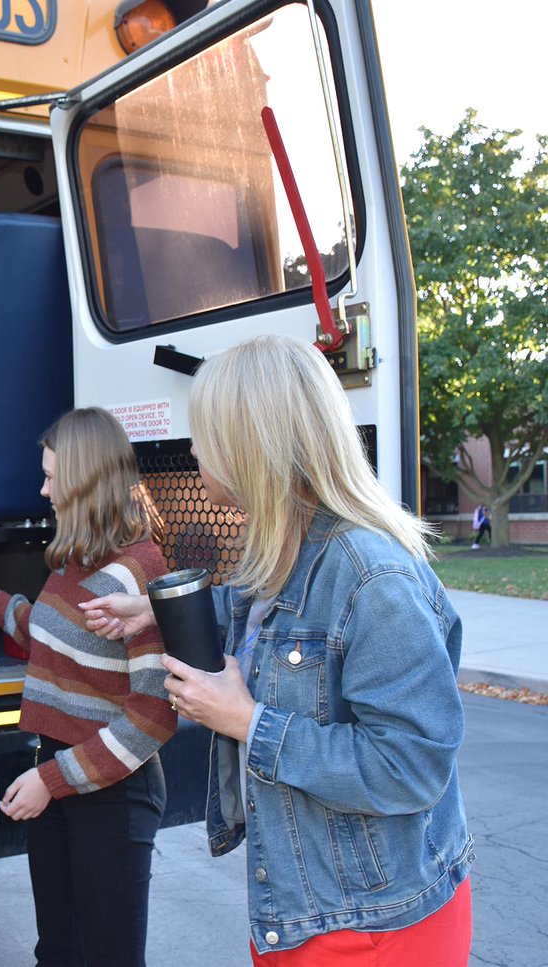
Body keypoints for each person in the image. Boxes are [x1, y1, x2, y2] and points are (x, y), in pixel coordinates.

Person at [81, 335, 474, 965]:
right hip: (307, 915)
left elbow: (411, 767)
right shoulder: (282, 554)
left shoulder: (374, 580)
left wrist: (246, 722)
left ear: (248, 447)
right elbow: (273, 630)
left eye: (204, 434)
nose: (193, 450)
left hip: (374, 932)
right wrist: (153, 614)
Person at [0, 406, 175, 967]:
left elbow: (152, 717)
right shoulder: (75, 560)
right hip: (61, 779)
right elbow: (50, 635)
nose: (43, 490)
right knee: (59, 953)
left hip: (113, 794)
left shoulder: (138, 572)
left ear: (86, 482)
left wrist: (50, 780)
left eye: (51, 478)